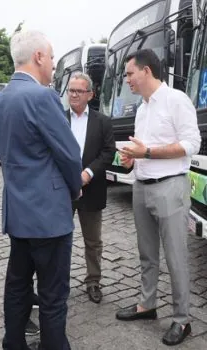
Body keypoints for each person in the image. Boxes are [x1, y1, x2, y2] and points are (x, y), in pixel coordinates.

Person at [0, 29, 82, 350]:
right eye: (53, 57)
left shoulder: (0, 101)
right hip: (48, 216)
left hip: (17, 213)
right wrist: (75, 191)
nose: (54, 64)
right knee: (53, 293)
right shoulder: (42, 97)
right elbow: (70, 155)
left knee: (17, 284)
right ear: (39, 57)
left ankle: (13, 343)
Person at [115, 48, 201, 346]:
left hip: (170, 187)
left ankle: (182, 320)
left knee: (176, 257)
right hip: (141, 185)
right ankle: (147, 305)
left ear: (146, 71)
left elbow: (192, 143)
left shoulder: (177, 100)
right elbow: (144, 149)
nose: (127, 79)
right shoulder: (142, 108)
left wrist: (147, 152)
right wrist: (133, 159)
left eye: (129, 73)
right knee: (147, 253)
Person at [65, 72, 116, 303]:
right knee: (59, 239)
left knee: (93, 241)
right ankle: (58, 281)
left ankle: (93, 281)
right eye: (70, 90)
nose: (73, 95)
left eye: (78, 91)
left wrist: (87, 174)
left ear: (90, 94)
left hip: (92, 189)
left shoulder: (102, 121)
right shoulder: (58, 118)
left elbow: (108, 153)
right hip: (63, 190)